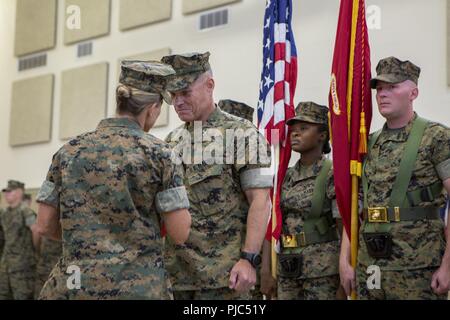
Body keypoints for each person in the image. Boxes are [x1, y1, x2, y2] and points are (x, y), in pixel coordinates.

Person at [33, 60, 191, 300]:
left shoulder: (68, 151)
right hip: (137, 288)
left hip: (74, 287)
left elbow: (44, 225)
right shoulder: (161, 154)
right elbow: (179, 233)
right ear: (153, 108)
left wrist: (87, 240)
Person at [162, 52, 273, 300]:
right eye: (173, 95)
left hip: (225, 278)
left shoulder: (242, 134)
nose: (178, 102)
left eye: (185, 93)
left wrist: (248, 259)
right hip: (177, 278)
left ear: (209, 85)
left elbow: (261, 200)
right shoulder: (172, 141)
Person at [340, 56, 450, 300]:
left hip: (418, 266)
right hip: (371, 264)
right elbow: (356, 207)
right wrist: (345, 260)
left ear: (413, 93)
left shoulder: (436, 137)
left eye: (392, 87)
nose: (382, 94)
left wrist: (448, 265)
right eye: (379, 88)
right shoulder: (367, 144)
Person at [261, 102, 340, 300]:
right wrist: (266, 269)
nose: (295, 134)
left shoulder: (333, 173)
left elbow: (344, 226)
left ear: (322, 135)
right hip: (287, 268)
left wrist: (347, 271)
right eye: (293, 130)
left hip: (322, 270)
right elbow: (272, 225)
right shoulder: (283, 177)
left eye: (303, 129)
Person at [0, 180, 37, 300]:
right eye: (5, 192)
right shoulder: (4, 213)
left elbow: (35, 232)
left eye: (10, 191)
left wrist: (33, 251)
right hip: (6, 265)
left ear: (19, 193)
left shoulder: (25, 212)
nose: (6, 194)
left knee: (22, 296)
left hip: (22, 266)